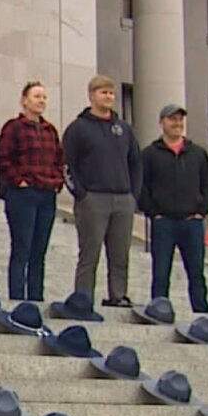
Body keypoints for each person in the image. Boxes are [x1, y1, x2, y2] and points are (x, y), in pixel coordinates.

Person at [62, 75, 143, 307]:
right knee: (90, 253)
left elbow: (136, 162)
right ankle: (83, 298)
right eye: (102, 92)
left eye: (111, 93)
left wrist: (133, 195)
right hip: (93, 199)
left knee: (120, 255)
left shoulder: (124, 129)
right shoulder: (78, 129)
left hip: (122, 199)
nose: (108, 97)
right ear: (91, 96)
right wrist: (81, 194)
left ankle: (118, 295)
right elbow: (68, 164)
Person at [139, 103, 208, 313]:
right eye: (172, 119)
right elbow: (142, 185)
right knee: (161, 271)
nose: (177, 123)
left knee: (196, 272)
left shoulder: (197, 153)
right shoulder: (149, 154)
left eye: (180, 119)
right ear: (161, 123)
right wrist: (153, 212)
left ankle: (201, 312)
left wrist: (201, 211)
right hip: (163, 221)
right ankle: (159, 309)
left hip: (191, 222)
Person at [0, 81, 66, 302]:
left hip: (46, 193)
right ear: (24, 100)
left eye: (44, 97)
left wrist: (57, 181)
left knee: (39, 251)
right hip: (23, 195)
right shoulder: (13, 127)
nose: (41, 101)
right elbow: (3, 158)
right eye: (37, 96)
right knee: (21, 248)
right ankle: (17, 298)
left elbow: (59, 159)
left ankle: (36, 298)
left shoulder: (50, 130)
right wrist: (19, 180)